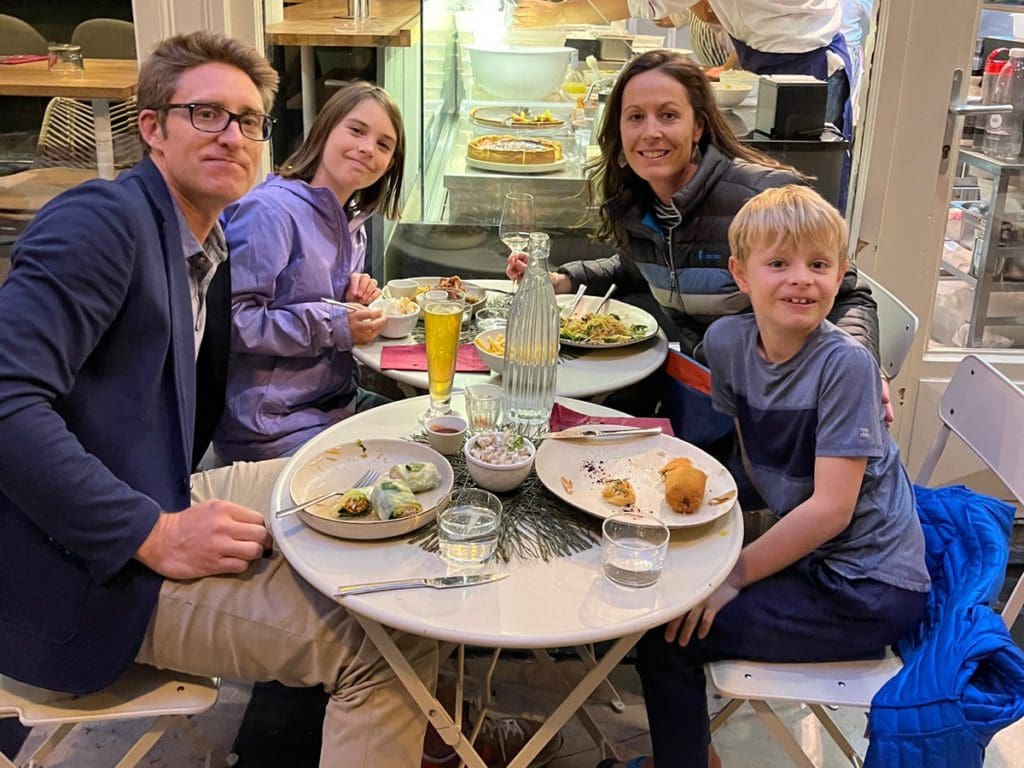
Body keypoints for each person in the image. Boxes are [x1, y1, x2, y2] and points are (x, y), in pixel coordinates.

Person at [0, 30, 437, 768]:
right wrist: (153, 533)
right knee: (387, 647)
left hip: (163, 491)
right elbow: (5, 402)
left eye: (248, 120)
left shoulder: (204, 247)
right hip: (77, 570)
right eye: (206, 113)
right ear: (152, 128)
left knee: (385, 479)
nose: (232, 136)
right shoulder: (102, 222)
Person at [613, 185, 931, 768]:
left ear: (840, 276)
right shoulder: (728, 343)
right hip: (811, 558)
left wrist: (734, 572)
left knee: (665, 640)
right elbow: (746, 453)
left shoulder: (845, 365)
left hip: (868, 587)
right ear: (741, 274)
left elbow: (832, 510)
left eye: (818, 264)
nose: (801, 280)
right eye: (779, 263)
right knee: (660, 595)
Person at [506, 50, 878, 379]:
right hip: (701, 384)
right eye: (635, 117)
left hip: (780, 396)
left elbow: (851, 294)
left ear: (697, 126)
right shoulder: (639, 205)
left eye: (668, 115)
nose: (651, 132)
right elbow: (639, 269)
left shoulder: (761, 200)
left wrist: (862, 372)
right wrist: (560, 281)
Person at [214, 81, 403, 462]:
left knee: (438, 438)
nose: (368, 148)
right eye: (356, 130)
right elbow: (231, 321)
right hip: (270, 425)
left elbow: (311, 303)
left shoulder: (354, 223)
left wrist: (350, 301)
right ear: (325, 128)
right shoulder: (270, 213)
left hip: (335, 401)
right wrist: (334, 322)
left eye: (384, 145)